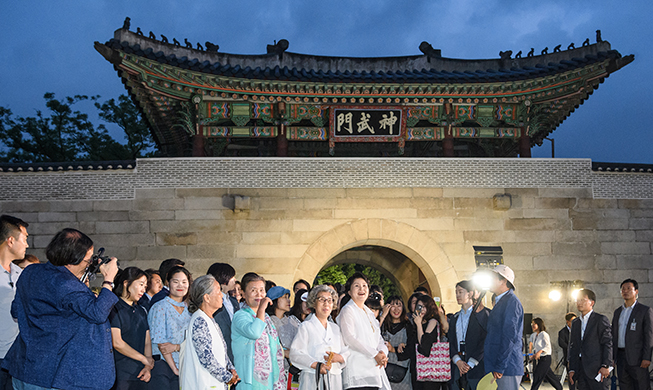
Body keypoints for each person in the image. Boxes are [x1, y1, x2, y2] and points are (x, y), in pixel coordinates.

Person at [3, 228, 119, 390]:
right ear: (72, 260)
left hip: (26, 370)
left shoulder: (30, 272)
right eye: (87, 261)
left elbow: (16, 310)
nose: (88, 265)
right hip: (57, 377)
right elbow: (98, 314)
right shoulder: (67, 284)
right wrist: (108, 280)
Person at [180, 275, 239, 390]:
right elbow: (206, 358)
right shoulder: (200, 321)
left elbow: (221, 351)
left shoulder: (209, 319)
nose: (221, 295)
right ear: (206, 298)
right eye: (218, 292)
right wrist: (227, 377)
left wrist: (231, 368)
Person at [231, 272, 286, 390]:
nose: (259, 294)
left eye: (262, 290)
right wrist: (261, 309)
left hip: (271, 380)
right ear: (243, 294)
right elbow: (254, 332)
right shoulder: (240, 316)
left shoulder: (266, 318)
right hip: (250, 381)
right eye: (253, 290)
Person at [336, 272, 391, 390]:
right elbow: (349, 338)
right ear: (349, 292)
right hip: (357, 371)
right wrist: (374, 354)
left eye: (364, 286)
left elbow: (379, 339)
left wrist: (382, 353)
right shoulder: (348, 310)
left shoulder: (369, 313)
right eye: (356, 286)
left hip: (374, 370)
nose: (361, 289)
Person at [290, 285, 350, 390]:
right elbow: (295, 353)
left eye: (330, 300)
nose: (326, 303)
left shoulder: (335, 328)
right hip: (312, 377)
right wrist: (316, 365)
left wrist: (339, 357)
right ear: (314, 303)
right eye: (321, 299)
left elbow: (346, 351)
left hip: (334, 378)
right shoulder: (306, 326)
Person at [148, 266, 192, 390]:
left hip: (186, 365)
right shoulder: (160, 307)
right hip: (166, 367)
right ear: (168, 283)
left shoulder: (191, 309)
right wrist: (175, 369)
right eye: (175, 281)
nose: (180, 286)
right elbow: (162, 344)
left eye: (184, 282)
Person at [110, 267, 154, 390]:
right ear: (126, 283)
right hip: (120, 373)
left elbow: (147, 340)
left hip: (141, 372)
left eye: (145, 286)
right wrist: (143, 359)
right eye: (141, 284)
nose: (143, 290)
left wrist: (148, 365)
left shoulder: (141, 310)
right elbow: (117, 342)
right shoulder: (114, 308)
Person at [0, 215, 29, 390]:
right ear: (11, 240)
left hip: (18, 357)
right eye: (25, 239)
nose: (26, 244)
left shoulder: (21, 273)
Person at [484, 265, 523, 390]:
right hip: (499, 365)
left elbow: (509, 336)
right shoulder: (501, 301)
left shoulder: (511, 302)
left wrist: (500, 366)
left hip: (506, 367)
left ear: (504, 281)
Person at [611, 279, 653, 390]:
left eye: (629, 288)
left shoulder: (644, 310)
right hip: (621, 356)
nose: (625, 291)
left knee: (641, 386)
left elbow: (648, 335)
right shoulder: (618, 312)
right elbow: (613, 336)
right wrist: (612, 357)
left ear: (636, 291)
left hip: (638, 358)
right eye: (623, 289)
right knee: (624, 386)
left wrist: (647, 357)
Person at [449, 280, 491, 390]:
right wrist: (457, 361)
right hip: (457, 364)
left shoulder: (482, 314)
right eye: (456, 292)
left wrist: (471, 363)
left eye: (460, 292)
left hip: (476, 366)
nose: (457, 295)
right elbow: (450, 341)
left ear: (470, 293)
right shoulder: (455, 317)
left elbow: (485, 340)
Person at [568, 289, 612, 390]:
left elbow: (607, 343)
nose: (579, 303)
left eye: (583, 300)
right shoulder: (575, 323)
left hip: (597, 369)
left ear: (592, 303)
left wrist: (606, 365)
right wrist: (572, 369)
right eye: (578, 300)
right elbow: (573, 346)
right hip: (580, 369)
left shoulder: (600, 319)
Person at [410, 294, 450, 390]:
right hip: (418, 369)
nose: (422, 310)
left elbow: (424, 347)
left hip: (431, 370)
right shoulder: (416, 323)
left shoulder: (432, 321)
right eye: (419, 306)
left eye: (425, 307)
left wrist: (419, 325)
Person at [207, 263, 240, 363]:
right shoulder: (211, 302)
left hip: (236, 352)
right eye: (231, 277)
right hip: (220, 353)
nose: (234, 280)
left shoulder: (234, 302)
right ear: (223, 279)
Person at [381, 295, 411, 390]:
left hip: (402, 371)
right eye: (393, 305)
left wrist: (393, 349)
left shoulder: (408, 325)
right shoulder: (383, 326)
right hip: (384, 369)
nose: (396, 309)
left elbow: (411, 348)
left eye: (399, 305)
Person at [528, 318, 562, 390]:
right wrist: (534, 355)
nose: (532, 326)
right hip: (540, 359)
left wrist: (539, 352)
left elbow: (547, 347)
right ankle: (559, 388)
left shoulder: (544, 334)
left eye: (534, 324)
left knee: (537, 376)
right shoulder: (535, 335)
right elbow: (536, 348)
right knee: (549, 376)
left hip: (545, 358)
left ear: (539, 324)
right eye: (532, 324)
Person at [558, 312, 577, 390]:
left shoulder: (578, 331)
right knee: (571, 377)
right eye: (573, 321)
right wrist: (571, 348)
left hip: (578, 357)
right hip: (569, 357)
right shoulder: (562, 332)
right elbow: (561, 343)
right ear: (568, 321)